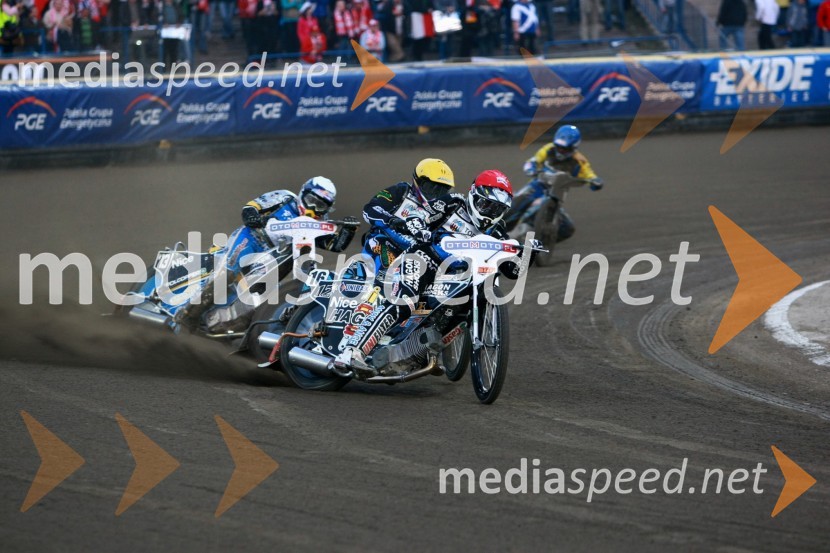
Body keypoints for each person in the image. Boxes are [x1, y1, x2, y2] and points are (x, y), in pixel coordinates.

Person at [333, 169, 537, 374]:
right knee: (403, 301)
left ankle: (418, 352)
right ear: (474, 196)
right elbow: (423, 213)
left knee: (463, 305)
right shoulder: (454, 203)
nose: (489, 213)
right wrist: (417, 224)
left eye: (497, 209)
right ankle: (352, 351)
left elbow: (513, 271)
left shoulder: (498, 232)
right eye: (486, 205)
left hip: (454, 277)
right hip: (423, 258)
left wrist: (529, 253)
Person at [174, 177, 358, 330]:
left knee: (258, 298)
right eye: (312, 201)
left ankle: (222, 324)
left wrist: (348, 231)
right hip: (252, 239)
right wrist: (254, 218)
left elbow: (334, 245)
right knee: (228, 272)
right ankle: (189, 313)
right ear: (303, 193)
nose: (313, 209)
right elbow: (251, 208)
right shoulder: (285, 198)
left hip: (272, 256)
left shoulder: (320, 222)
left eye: (321, 206)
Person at [506, 124, 602, 241]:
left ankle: (539, 244)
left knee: (567, 229)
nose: (560, 151)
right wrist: (531, 168)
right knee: (514, 205)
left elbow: (590, 175)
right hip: (537, 185)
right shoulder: (548, 149)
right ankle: (493, 229)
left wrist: (595, 181)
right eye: (558, 147)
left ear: (574, 147)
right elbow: (533, 161)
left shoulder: (580, 161)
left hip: (556, 195)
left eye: (565, 149)